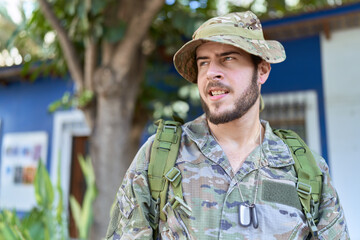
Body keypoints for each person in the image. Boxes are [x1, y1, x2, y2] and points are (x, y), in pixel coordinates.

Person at [105, 11, 349, 239]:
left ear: (262, 70)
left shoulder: (305, 169)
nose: (212, 72)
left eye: (228, 58)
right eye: (203, 62)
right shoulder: (159, 158)